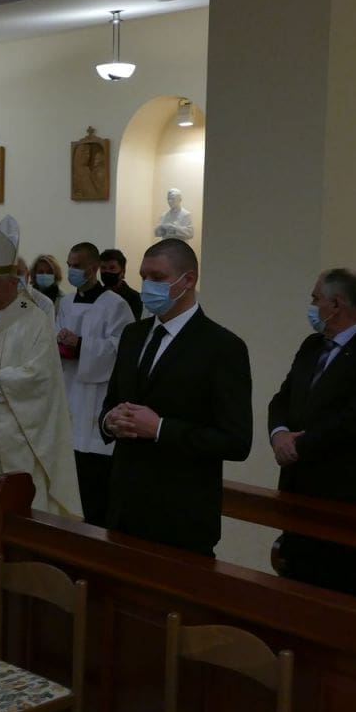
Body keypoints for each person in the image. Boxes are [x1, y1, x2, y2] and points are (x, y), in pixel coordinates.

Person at [100, 238, 252, 556]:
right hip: (124, 506)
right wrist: (109, 421)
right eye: (143, 277)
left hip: (181, 514)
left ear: (188, 280)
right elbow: (111, 401)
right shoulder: (133, 334)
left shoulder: (222, 347)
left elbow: (236, 441)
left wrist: (160, 428)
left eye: (157, 278)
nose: (147, 286)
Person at [267, 269, 356, 597]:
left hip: (347, 494)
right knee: (294, 585)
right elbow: (283, 398)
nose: (312, 305)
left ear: (336, 304)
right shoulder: (312, 346)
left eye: (316, 298)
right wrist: (279, 434)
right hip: (300, 487)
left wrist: (299, 446)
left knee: (339, 592)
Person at [0, 217, 83, 552]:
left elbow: (40, 378)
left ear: (13, 283)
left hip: (17, 437)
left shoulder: (35, 321)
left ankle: (17, 563)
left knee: (14, 520)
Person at [57, 242, 133, 526]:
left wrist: (82, 345)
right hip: (69, 389)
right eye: (69, 265)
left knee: (94, 492)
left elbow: (122, 349)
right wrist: (60, 343)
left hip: (97, 396)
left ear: (93, 268)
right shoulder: (65, 303)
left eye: (76, 266)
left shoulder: (116, 305)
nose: (71, 271)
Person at [99, 248, 142, 320]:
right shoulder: (97, 295)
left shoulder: (135, 298)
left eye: (112, 268)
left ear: (123, 272)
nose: (107, 271)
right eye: (103, 268)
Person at [15, 257, 56, 326]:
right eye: (10, 273)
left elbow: (47, 331)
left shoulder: (44, 303)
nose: (14, 277)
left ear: (27, 275)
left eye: (18, 273)